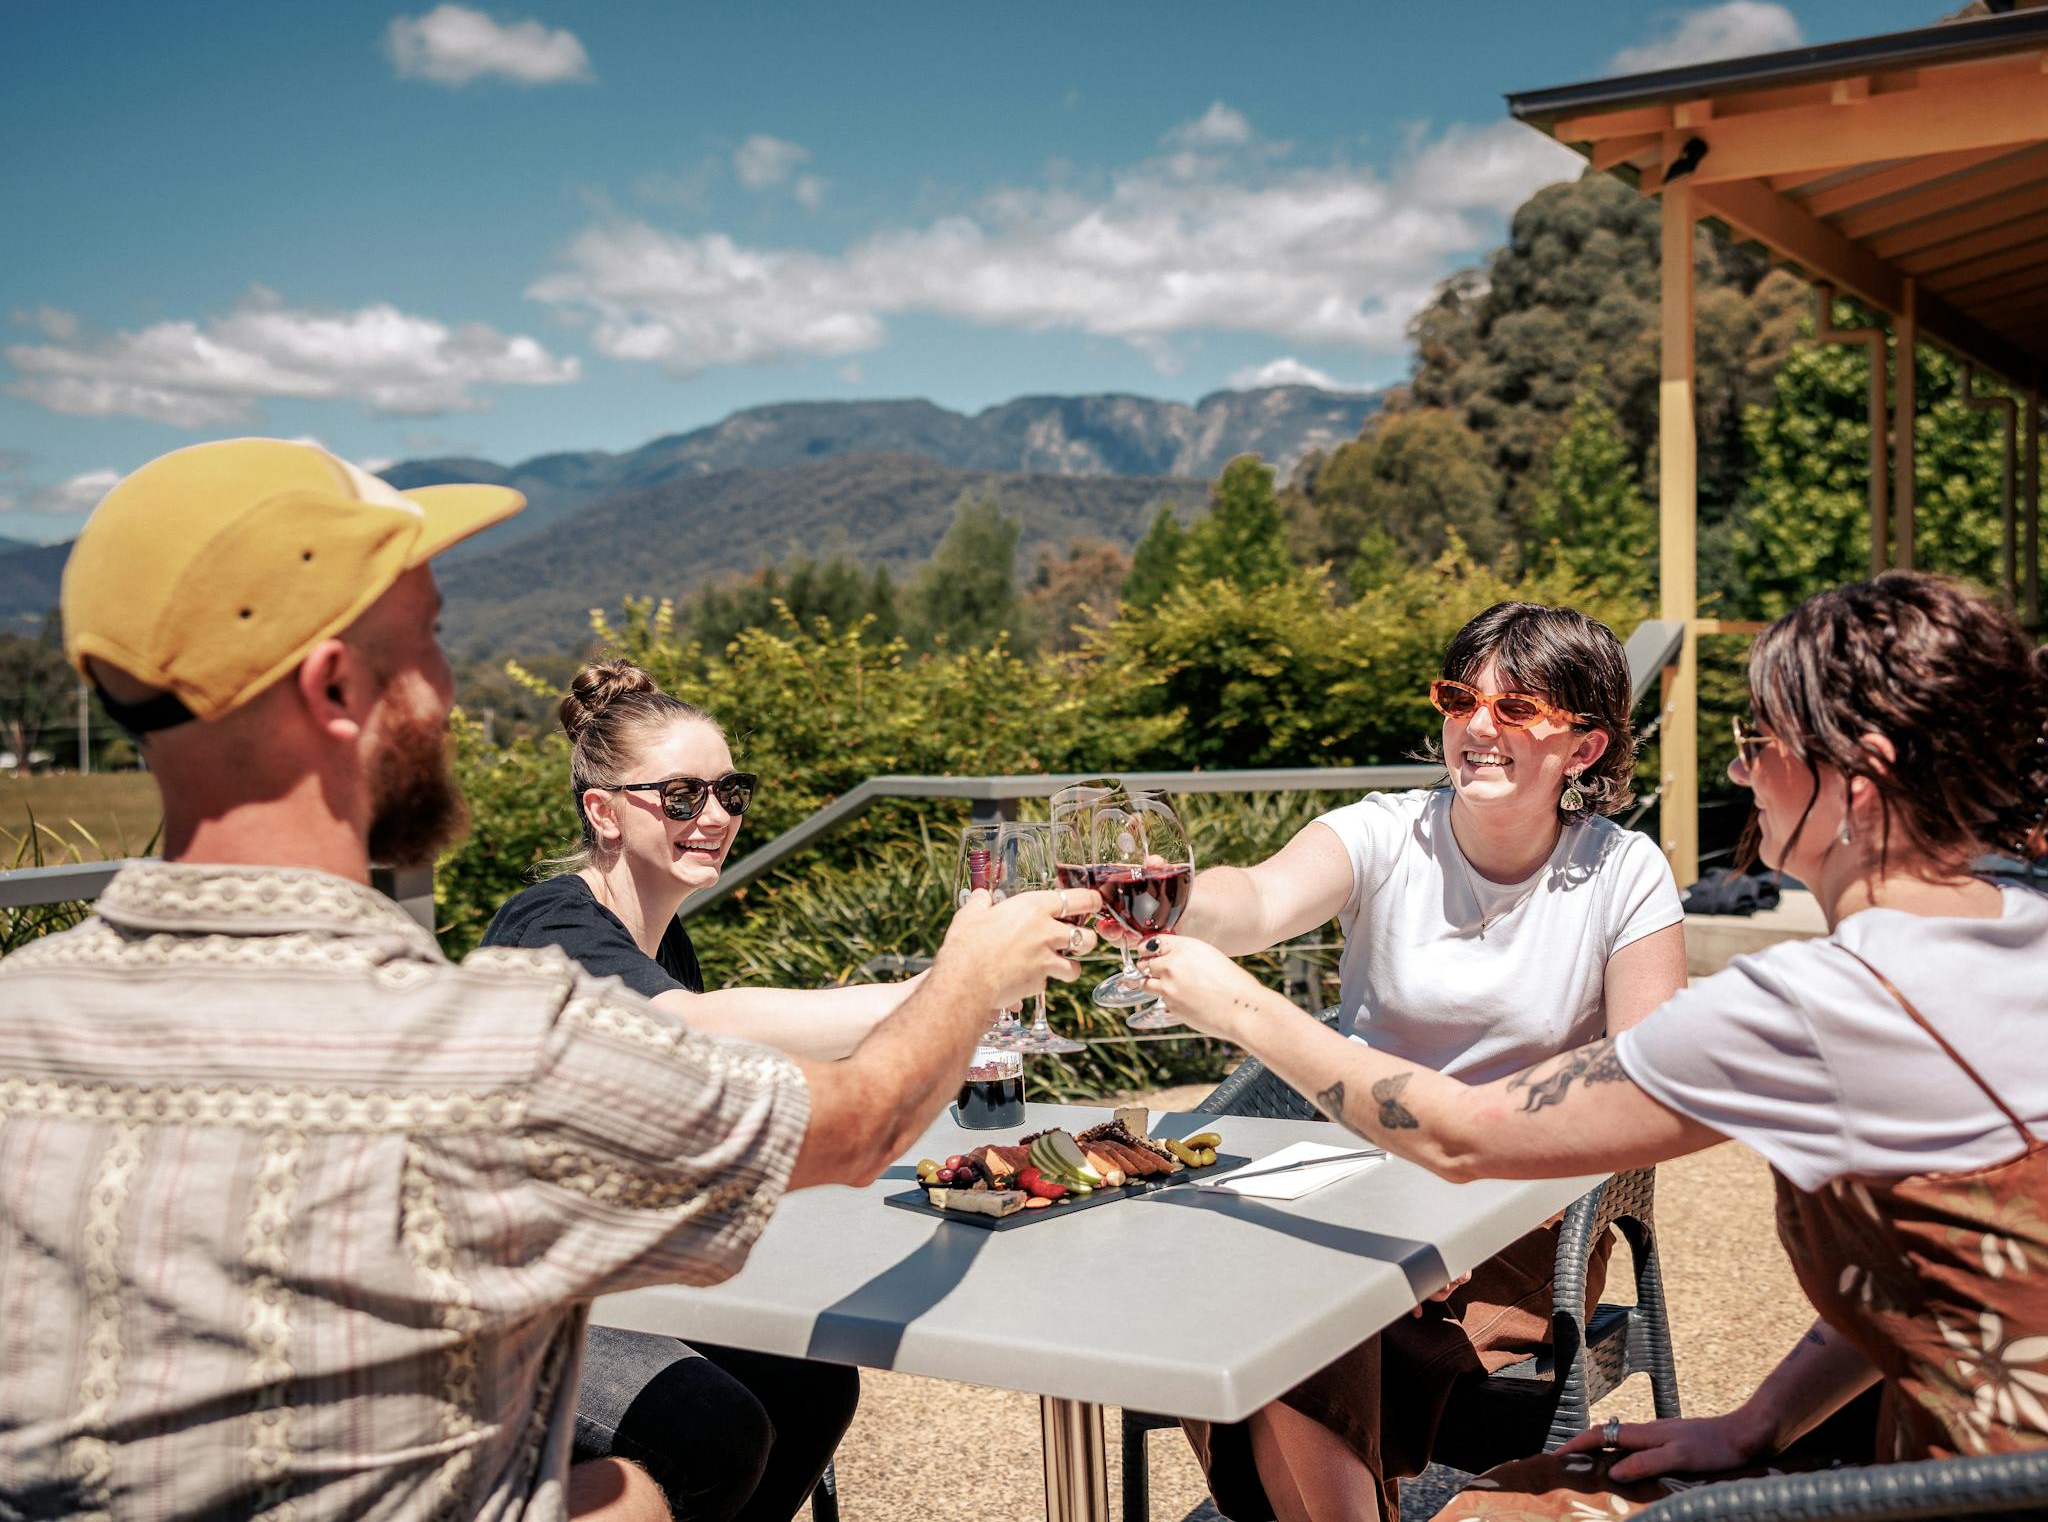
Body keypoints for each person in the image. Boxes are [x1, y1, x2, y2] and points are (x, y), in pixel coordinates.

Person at [0, 437, 1101, 1521]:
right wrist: (970, 975)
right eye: (431, 641)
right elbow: (858, 1126)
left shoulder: (20, 1021)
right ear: (334, 684)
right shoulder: (486, 1052)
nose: (448, 689)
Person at [1139, 572, 2048, 1519]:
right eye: (1459, 698)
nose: (1738, 775)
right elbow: (1923, 1277)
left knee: (1482, 1508)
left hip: (1957, 1487)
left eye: (1758, 743)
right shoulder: (2024, 932)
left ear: (1859, 778)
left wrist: (1238, 1008)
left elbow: (1462, 1134)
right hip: (1969, 1461)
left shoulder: (1819, 1003)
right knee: (1286, 1322)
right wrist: (1757, 1423)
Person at [1157, 601, 1688, 1522]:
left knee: (1299, 1315)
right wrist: (1163, 895)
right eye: (1459, 699)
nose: (1478, 727)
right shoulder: (1382, 833)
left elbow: (1642, 1091)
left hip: (1527, 1205)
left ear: (1586, 748)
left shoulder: (1624, 873)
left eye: (1515, 708)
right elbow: (1257, 900)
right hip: (1355, 1184)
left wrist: (1455, 1225)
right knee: (1261, 1289)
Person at [482, 659, 924, 1522]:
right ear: (603, 812)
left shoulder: (658, 936)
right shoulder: (553, 927)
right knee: (705, 1427)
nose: (715, 817)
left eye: (730, 791)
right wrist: (945, 987)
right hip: (500, 1306)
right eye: (681, 796)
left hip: (596, 1275)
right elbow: (694, 1029)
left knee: (810, 1381)